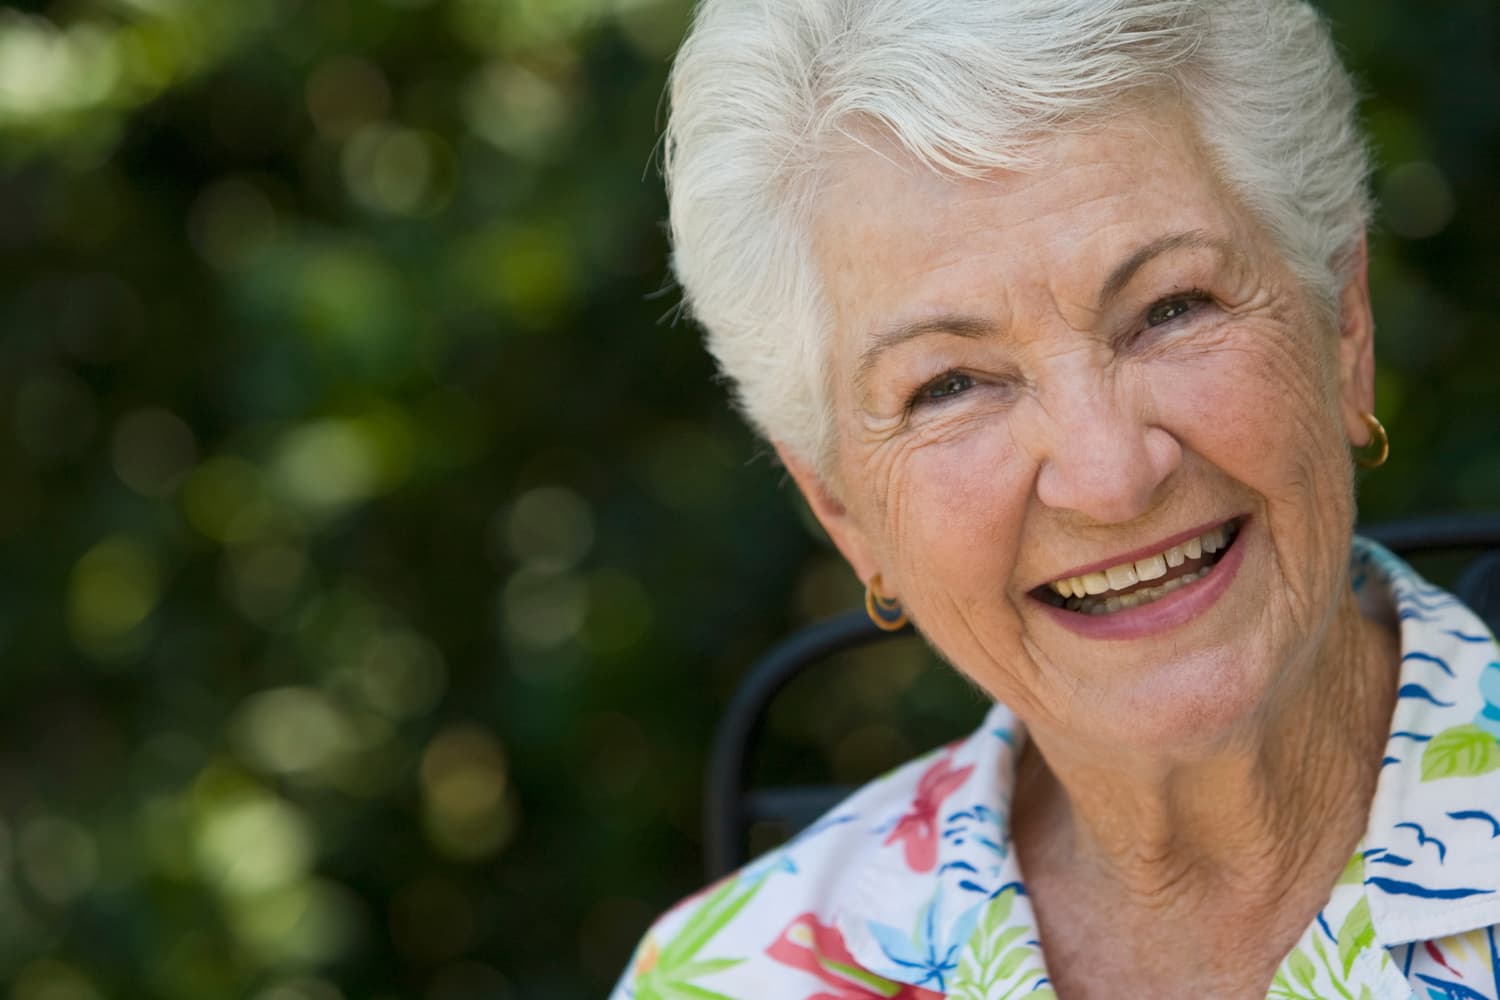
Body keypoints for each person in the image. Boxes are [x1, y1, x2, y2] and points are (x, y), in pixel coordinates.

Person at [613, 2, 1500, 997]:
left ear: (1342, 323)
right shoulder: (733, 977)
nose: (1110, 478)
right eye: (949, 384)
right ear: (841, 508)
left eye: (1170, 309)